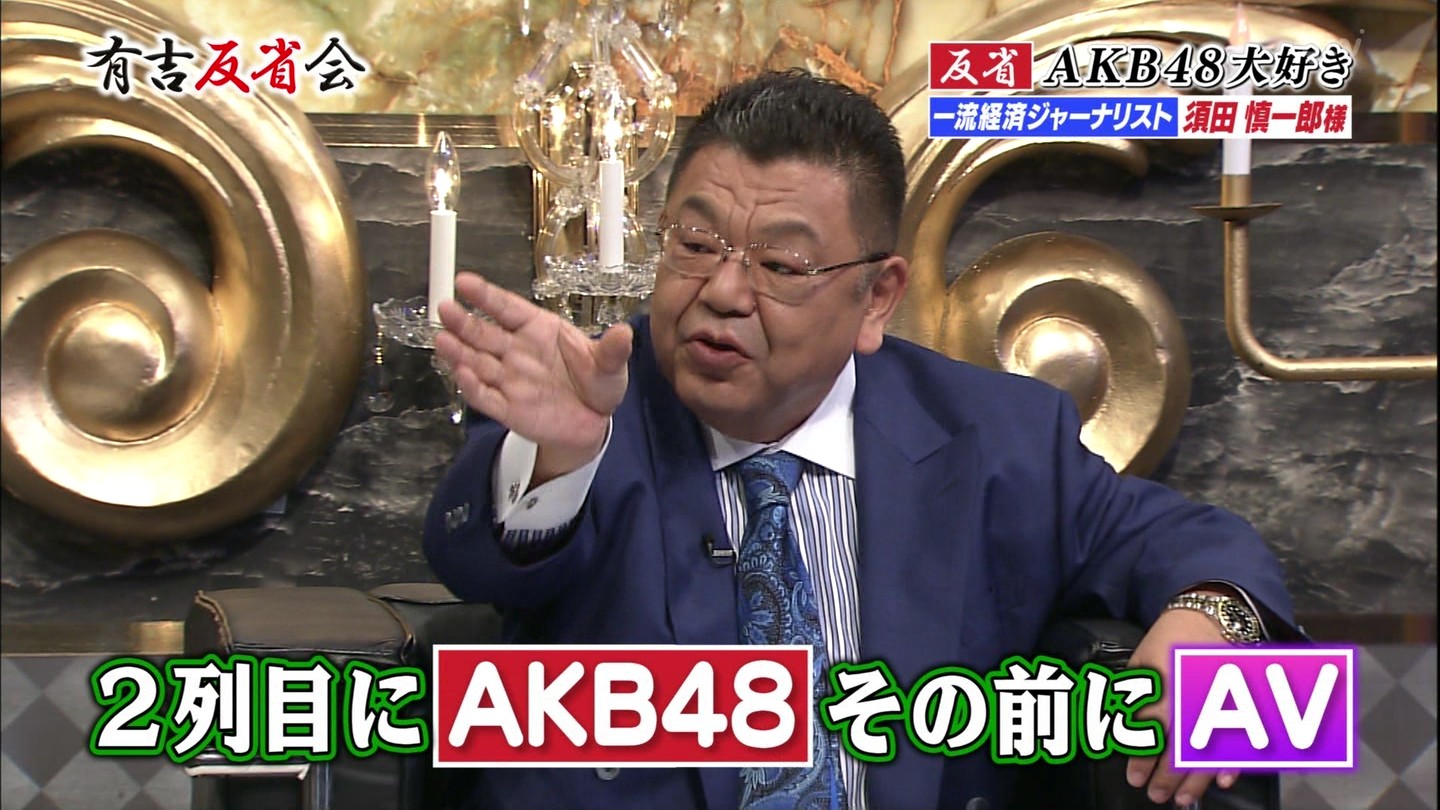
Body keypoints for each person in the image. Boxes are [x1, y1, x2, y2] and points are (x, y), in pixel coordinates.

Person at [425, 69, 1299, 810]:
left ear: (877, 297)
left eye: (781, 265)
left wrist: (1211, 621)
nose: (722, 291)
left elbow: (1193, 541)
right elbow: (472, 560)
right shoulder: (591, 407)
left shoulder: (993, 436)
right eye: (695, 243)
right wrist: (560, 455)